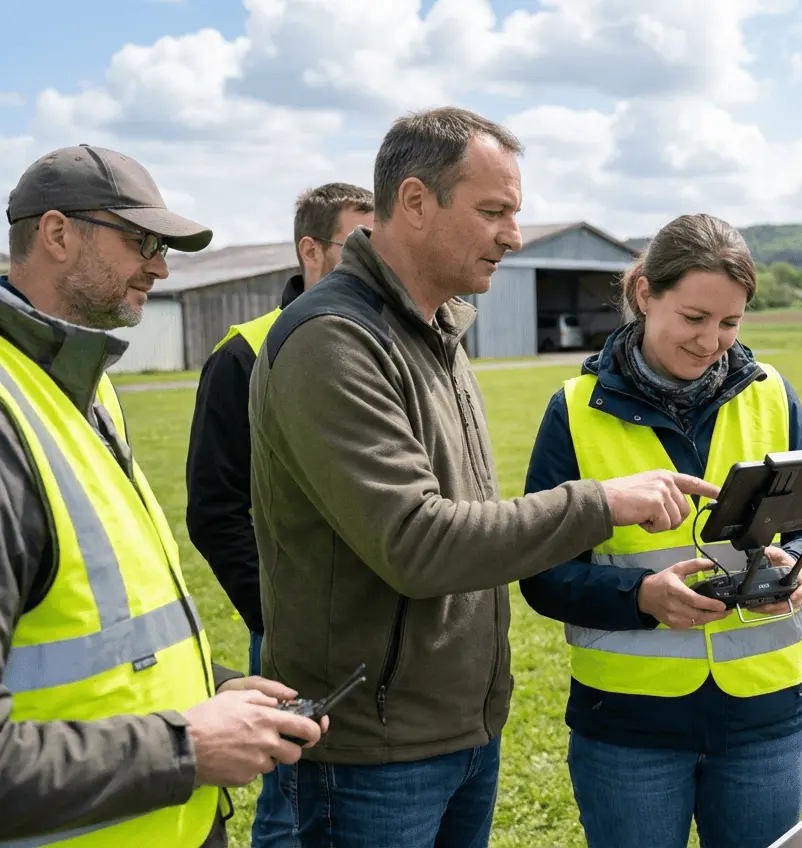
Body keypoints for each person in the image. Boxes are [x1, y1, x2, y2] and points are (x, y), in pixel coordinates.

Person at [246, 106, 719, 848]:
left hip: (459, 731)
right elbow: (417, 541)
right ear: (413, 202)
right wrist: (600, 503)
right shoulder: (333, 340)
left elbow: (471, 525)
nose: (514, 236)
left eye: (515, 213)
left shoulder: (439, 332)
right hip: (375, 749)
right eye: (493, 211)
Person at [0, 144, 325, 847]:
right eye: (141, 241)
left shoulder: (84, 382)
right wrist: (186, 746)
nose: (161, 266)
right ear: (57, 235)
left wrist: (209, 689)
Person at [519, 213, 802, 848]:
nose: (711, 341)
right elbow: (540, 575)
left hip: (767, 720)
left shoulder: (773, 395)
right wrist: (640, 600)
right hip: (628, 729)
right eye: (694, 319)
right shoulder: (574, 413)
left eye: (730, 323)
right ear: (645, 294)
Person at [184, 180, 372, 845]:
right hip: (293, 627)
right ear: (310, 251)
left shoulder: (385, 339)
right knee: (293, 796)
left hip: (375, 628)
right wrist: (276, 614)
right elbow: (214, 509)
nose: (376, 258)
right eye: (358, 244)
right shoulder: (244, 350)